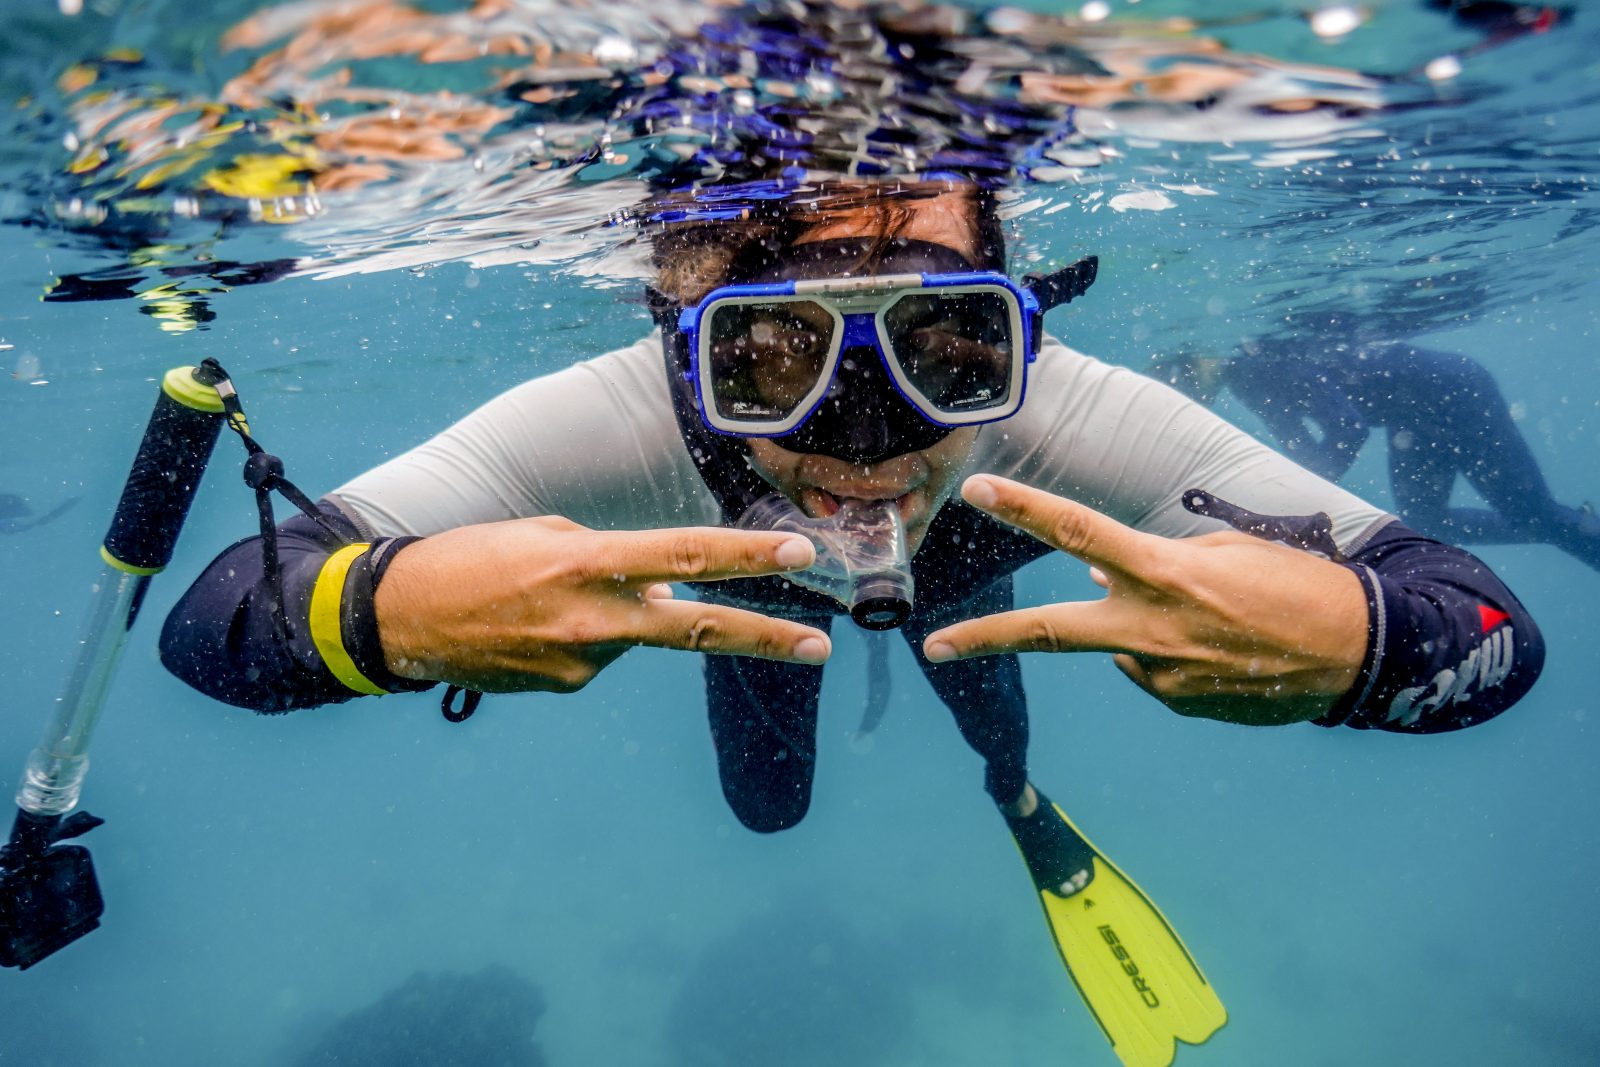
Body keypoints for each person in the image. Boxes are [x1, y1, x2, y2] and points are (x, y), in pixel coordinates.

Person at [1153, 337, 1600, 572]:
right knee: (1432, 519)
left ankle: (1570, 526)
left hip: (1455, 394)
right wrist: (1290, 500)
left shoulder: (1261, 362)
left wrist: (1311, 497)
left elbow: (1347, 427)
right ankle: (1570, 525)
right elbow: (1302, 450)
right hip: (1417, 413)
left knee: (1531, 513)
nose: (1192, 391)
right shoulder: (1247, 378)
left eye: (1182, 381)